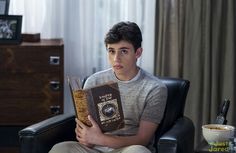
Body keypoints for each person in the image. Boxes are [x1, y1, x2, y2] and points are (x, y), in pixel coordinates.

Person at [49, 21, 167, 153]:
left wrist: (99, 139)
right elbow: (86, 129)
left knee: (139, 151)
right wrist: (84, 136)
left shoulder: (155, 88)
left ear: (138, 53)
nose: (116, 58)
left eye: (123, 51)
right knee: (60, 149)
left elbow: (142, 139)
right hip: (95, 149)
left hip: (128, 149)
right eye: (111, 51)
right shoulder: (94, 81)